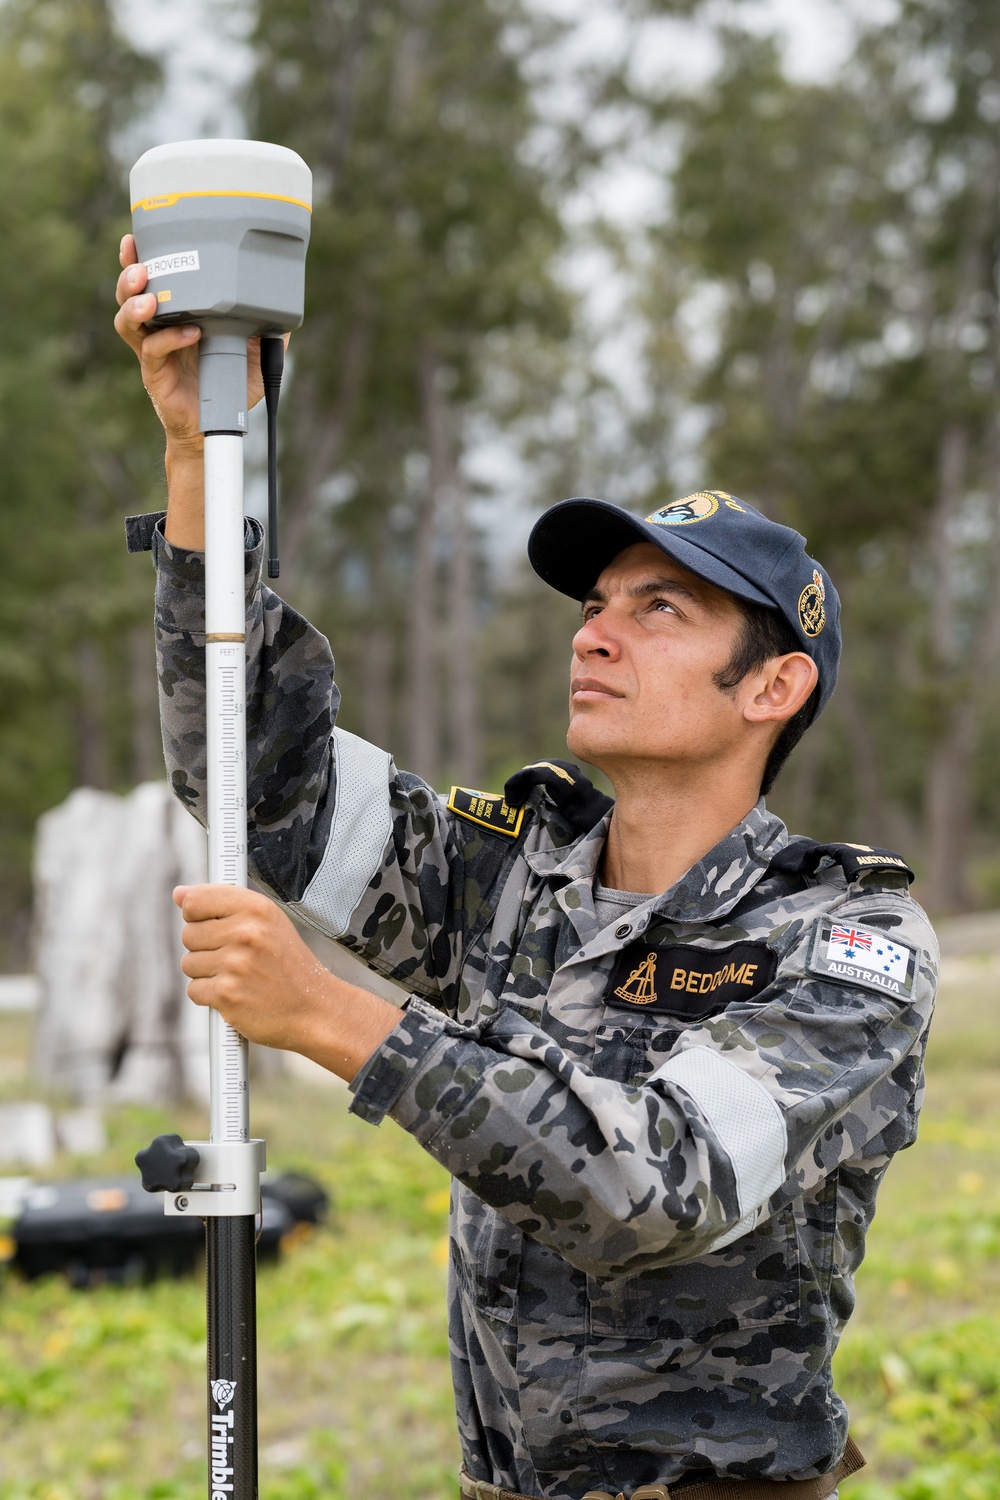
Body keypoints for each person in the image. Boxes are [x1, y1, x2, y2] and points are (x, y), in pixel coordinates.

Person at [115, 237, 937, 1500]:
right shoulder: (514, 879)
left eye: (658, 609)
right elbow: (255, 776)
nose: (596, 633)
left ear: (774, 686)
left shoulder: (842, 941)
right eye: (594, 604)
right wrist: (194, 457)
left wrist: (335, 1017)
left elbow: (654, 1184)